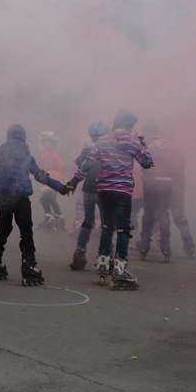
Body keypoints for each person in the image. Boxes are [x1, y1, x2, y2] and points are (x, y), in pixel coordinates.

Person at [69, 110, 153, 290]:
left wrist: (73, 182)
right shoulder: (132, 141)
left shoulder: (102, 141)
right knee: (123, 229)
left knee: (107, 228)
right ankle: (120, 271)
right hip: (122, 191)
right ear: (130, 125)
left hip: (103, 189)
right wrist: (143, 144)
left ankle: (103, 267)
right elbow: (147, 162)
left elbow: (87, 164)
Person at [0, 124, 70, 287]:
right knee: (26, 232)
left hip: (5, 196)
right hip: (21, 197)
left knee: (4, 229)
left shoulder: (2, 150)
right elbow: (40, 175)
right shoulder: (26, 154)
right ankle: (29, 267)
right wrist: (61, 188)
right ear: (23, 137)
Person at [136, 123, 196, 261]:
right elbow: (181, 166)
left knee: (149, 215)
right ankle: (181, 246)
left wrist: (147, 178)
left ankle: (144, 246)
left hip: (152, 183)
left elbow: (143, 165)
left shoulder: (149, 145)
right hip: (172, 184)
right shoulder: (174, 148)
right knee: (174, 216)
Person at [69, 122, 108, 270]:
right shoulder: (111, 149)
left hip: (89, 188)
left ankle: (80, 252)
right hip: (106, 188)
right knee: (107, 224)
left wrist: (73, 182)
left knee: (88, 221)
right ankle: (106, 257)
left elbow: (79, 164)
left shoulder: (88, 149)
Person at [36, 132, 67, 231]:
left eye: (49, 142)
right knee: (51, 199)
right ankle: (58, 217)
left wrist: (61, 179)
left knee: (44, 199)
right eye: (45, 142)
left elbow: (61, 167)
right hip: (47, 179)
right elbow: (42, 166)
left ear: (53, 144)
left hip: (54, 179)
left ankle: (50, 217)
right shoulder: (43, 154)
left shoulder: (54, 154)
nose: (46, 144)